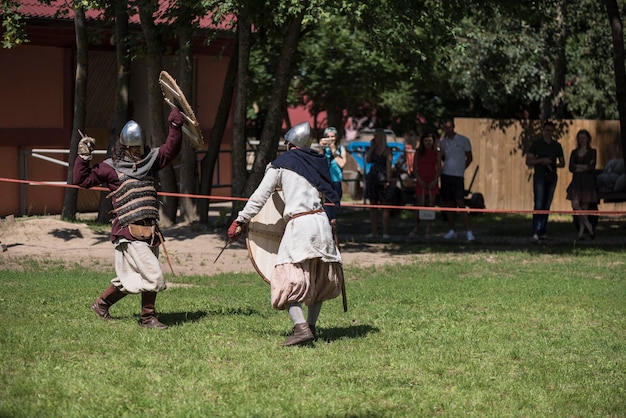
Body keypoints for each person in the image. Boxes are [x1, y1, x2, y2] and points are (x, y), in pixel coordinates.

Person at [228, 122, 344, 347]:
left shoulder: (281, 165)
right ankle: (310, 327)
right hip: (321, 223)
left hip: (300, 226)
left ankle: (301, 329)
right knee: (317, 279)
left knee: (284, 279)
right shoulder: (317, 162)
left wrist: (241, 219)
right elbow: (330, 194)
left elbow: (260, 196)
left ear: (290, 145)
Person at [73, 107, 184, 329]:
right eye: (133, 148)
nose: (137, 152)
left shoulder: (150, 161)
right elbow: (83, 180)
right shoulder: (110, 168)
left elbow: (170, 150)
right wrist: (83, 156)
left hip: (150, 231)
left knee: (131, 277)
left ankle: (102, 304)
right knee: (152, 274)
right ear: (124, 146)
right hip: (127, 231)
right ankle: (147, 318)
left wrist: (175, 125)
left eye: (140, 147)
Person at [526, 121, 565, 242]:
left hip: (552, 176)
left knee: (547, 205)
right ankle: (536, 231)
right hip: (540, 176)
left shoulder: (556, 145)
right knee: (538, 204)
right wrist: (542, 160)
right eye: (547, 130)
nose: (549, 133)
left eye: (551, 130)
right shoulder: (536, 144)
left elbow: (562, 163)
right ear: (543, 130)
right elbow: (529, 161)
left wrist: (553, 164)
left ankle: (543, 230)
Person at [439, 119, 475, 241]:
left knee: (460, 203)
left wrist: (462, 168)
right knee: (449, 203)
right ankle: (452, 230)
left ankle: (468, 231)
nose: (448, 130)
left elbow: (469, 157)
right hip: (446, 175)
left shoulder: (463, 140)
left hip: (458, 176)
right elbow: (443, 157)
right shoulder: (443, 143)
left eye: (449, 127)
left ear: (453, 127)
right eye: (445, 128)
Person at [566, 129, 597, 240]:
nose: (582, 140)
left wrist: (579, 166)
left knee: (584, 208)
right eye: (580, 138)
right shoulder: (574, 152)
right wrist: (584, 167)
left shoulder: (592, 152)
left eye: (584, 137)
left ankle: (581, 234)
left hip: (587, 182)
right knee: (575, 204)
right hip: (576, 182)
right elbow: (571, 167)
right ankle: (589, 226)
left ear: (588, 139)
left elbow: (591, 168)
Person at [409, 132, 441, 239]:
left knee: (430, 205)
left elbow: (439, 168)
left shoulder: (436, 153)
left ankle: (428, 229)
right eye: (426, 141)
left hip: (432, 180)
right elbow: (414, 168)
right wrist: (419, 180)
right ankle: (416, 227)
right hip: (421, 180)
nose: (428, 143)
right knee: (419, 204)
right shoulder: (418, 152)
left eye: (430, 141)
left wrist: (435, 180)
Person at [364, 129, 393, 239]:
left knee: (385, 206)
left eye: (376, 136)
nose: (375, 138)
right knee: (373, 206)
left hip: (383, 177)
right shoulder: (374, 149)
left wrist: (388, 180)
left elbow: (388, 166)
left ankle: (385, 231)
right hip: (373, 177)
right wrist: (371, 148)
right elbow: (368, 160)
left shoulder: (387, 150)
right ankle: (374, 231)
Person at [319, 127, 347, 220]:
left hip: (336, 181)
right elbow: (318, 161)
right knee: (326, 208)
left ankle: (333, 228)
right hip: (325, 180)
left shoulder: (341, 149)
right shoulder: (324, 149)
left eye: (332, 136)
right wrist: (321, 147)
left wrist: (334, 151)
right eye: (328, 136)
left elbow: (342, 164)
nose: (330, 139)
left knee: (334, 208)